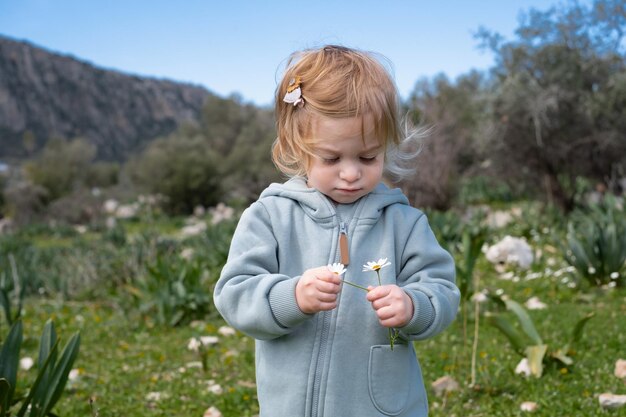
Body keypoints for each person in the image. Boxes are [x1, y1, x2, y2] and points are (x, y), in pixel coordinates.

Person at [214, 45, 460, 417]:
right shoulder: (270, 216)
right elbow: (235, 294)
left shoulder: (404, 224)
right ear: (297, 147)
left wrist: (414, 305)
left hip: (381, 407)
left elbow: (442, 290)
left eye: (368, 157)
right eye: (331, 158)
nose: (351, 173)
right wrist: (291, 296)